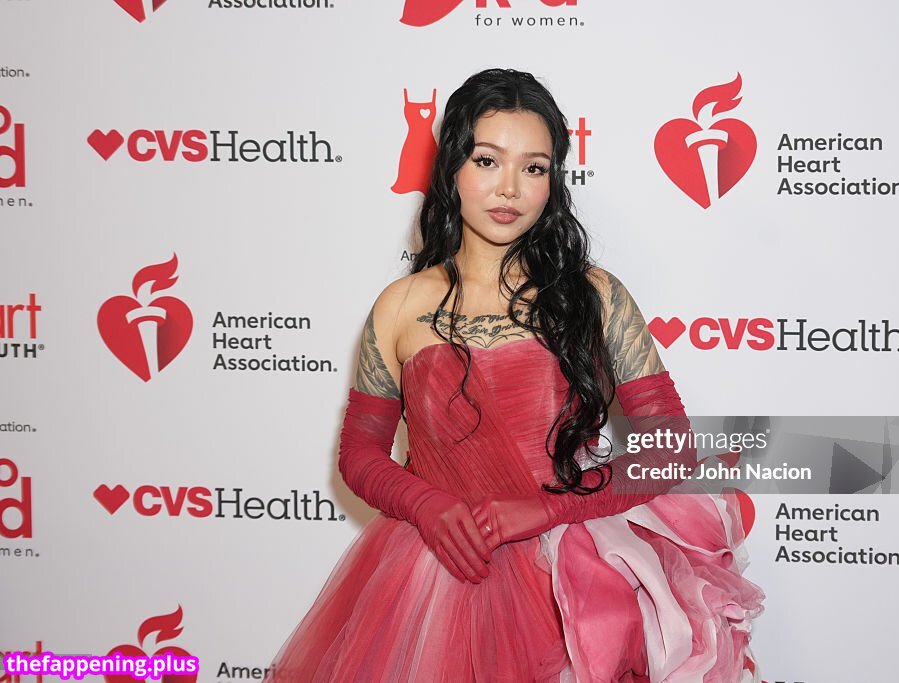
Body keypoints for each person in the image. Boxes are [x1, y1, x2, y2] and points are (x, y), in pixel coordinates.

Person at [263, 68, 764, 682]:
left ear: (554, 181)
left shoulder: (596, 296)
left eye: (534, 168)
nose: (509, 188)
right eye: (487, 160)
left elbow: (671, 447)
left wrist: (546, 509)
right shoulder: (400, 305)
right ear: (452, 166)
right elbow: (360, 452)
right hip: (438, 571)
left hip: (573, 579)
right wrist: (426, 504)